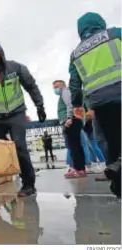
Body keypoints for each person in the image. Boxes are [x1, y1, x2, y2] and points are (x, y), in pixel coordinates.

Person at [0, 40, 46, 197]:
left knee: (20, 147)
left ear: (1, 55)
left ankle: (28, 184)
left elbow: (31, 86)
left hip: (17, 113)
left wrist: (39, 106)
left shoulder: (16, 68)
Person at [68, 12, 121, 197]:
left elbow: (75, 85)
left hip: (100, 102)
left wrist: (77, 104)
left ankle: (118, 180)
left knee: (109, 142)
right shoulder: (116, 34)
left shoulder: (76, 54)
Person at [53, 80, 86, 178]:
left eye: (57, 86)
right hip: (74, 120)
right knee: (76, 145)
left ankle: (76, 168)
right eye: (54, 87)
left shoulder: (65, 91)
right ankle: (81, 169)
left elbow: (70, 104)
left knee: (73, 146)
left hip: (70, 121)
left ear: (63, 85)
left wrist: (68, 118)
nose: (55, 89)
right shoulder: (65, 93)